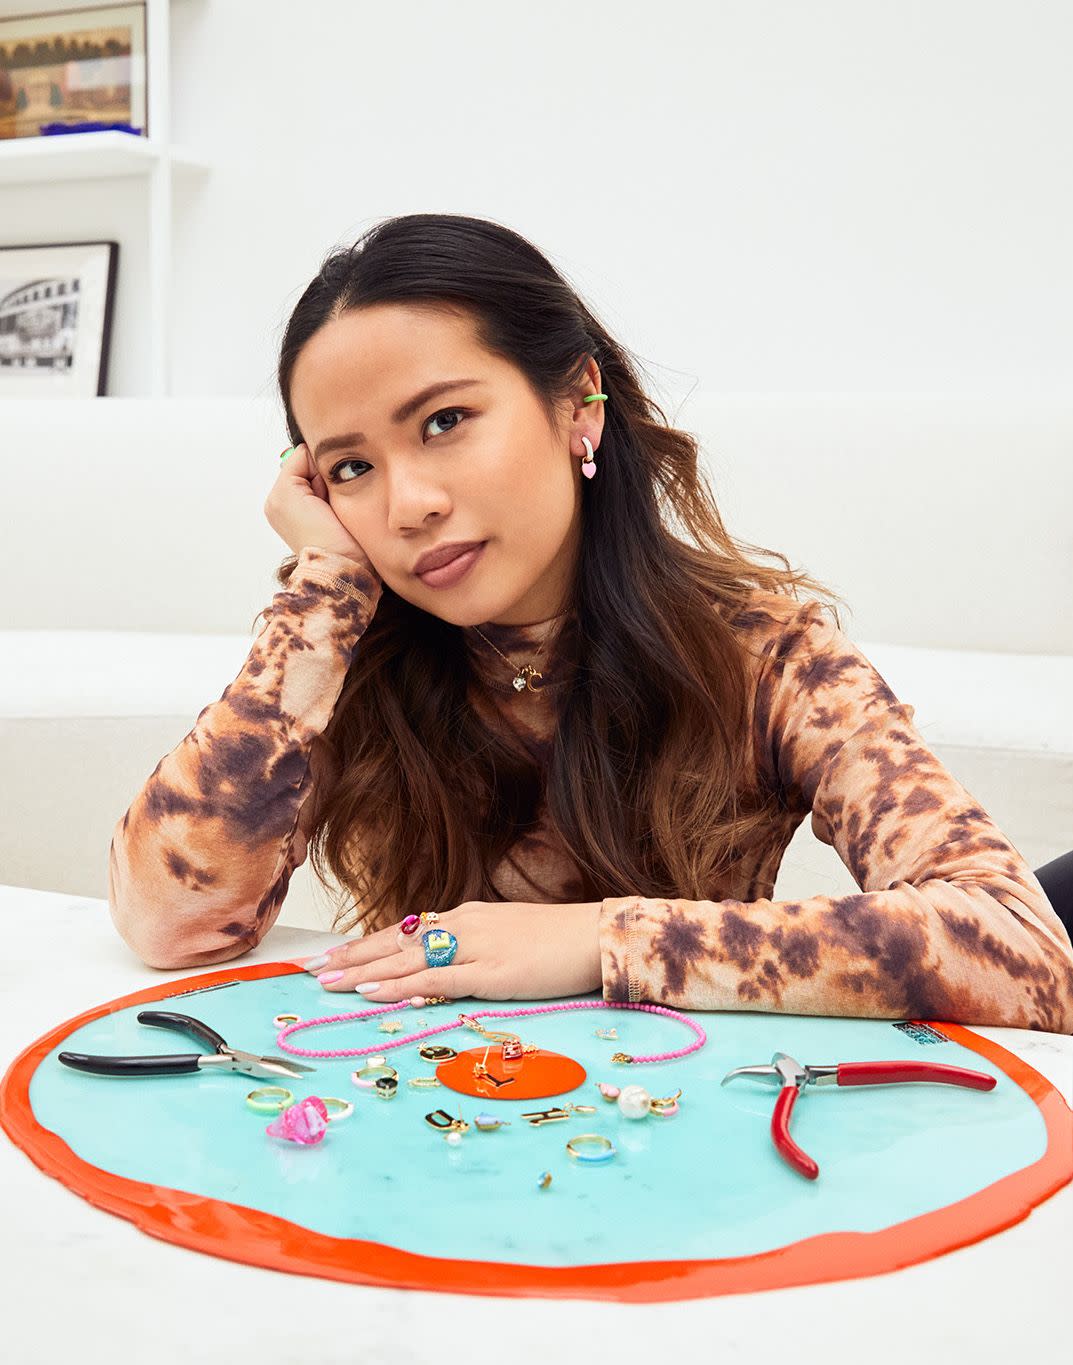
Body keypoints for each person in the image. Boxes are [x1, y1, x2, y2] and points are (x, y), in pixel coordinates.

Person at [107, 212, 1073, 1034]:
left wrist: (596, 941)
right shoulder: (344, 653)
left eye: (443, 420)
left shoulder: (764, 653)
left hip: (694, 1128)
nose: (406, 504)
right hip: (435, 1121)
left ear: (580, 405)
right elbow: (168, 923)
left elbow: (1017, 942)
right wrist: (322, 591)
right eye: (350, 466)